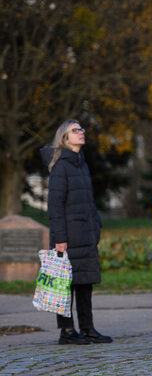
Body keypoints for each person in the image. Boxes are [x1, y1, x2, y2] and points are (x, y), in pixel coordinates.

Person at [41, 120, 112, 345]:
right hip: (69, 237)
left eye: (82, 129)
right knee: (65, 285)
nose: (81, 133)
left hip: (86, 234)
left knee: (85, 283)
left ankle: (88, 328)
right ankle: (67, 331)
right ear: (64, 138)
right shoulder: (61, 166)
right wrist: (60, 238)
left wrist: (96, 224)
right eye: (76, 130)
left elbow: (87, 200)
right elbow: (55, 205)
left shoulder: (81, 163)